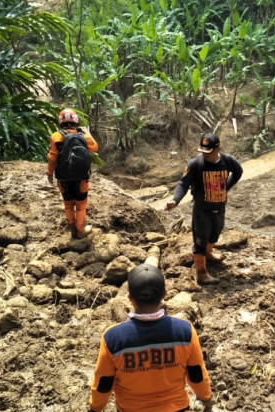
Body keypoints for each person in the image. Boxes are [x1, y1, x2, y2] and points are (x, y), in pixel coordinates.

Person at [88, 263, 215, 412]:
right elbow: (197, 374)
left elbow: (104, 382)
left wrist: (95, 408)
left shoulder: (113, 337)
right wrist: (207, 399)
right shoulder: (185, 331)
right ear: (164, 294)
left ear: (129, 297)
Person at [165, 133, 243, 285]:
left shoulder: (227, 161)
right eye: (203, 151)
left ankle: (208, 254)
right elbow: (183, 184)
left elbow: (238, 172)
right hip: (202, 210)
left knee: (215, 234)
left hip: (219, 207)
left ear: (217, 148)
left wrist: (226, 186)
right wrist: (175, 200)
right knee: (200, 240)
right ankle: (201, 273)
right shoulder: (195, 165)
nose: (205, 155)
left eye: (208, 152)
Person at [46, 108, 99, 239]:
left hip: (63, 177)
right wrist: (87, 132)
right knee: (81, 205)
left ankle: (72, 229)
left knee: (68, 203)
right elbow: (95, 148)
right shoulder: (84, 136)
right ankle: (81, 230)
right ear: (76, 121)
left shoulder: (56, 136)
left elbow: (52, 158)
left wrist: (49, 173)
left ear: (60, 122)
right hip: (82, 177)